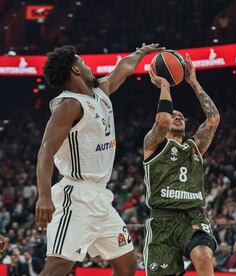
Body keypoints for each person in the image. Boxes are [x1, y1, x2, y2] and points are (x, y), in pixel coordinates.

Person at [35, 43, 163, 276]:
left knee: (127, 266)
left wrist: (141, 53)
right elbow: (45, 151)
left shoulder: (100, 92)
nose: (87, 65)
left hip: (101, 198)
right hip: (76, 196)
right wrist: (43, 195)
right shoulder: (68, 105)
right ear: (75, 70)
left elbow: (122, 69)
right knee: (58, 267)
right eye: (82, 61)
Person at [142, 53, 220, 276]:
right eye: (174, 115)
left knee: (204, 256)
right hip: (162, 221)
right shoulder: (153, 144)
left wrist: (193, 82)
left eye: (181, 116)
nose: (177, 118)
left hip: (191, 217)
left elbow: (213, 119)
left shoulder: (195, 146)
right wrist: (164, 85)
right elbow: (163, 120)